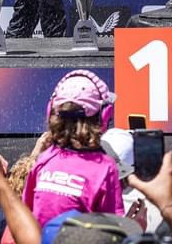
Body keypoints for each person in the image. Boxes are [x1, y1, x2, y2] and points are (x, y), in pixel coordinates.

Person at [23, 70, 123, 225]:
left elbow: (26, 216)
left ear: (51, 112)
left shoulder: (44, 159)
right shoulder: (105, 168)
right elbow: (113, 229)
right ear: (104, 116)